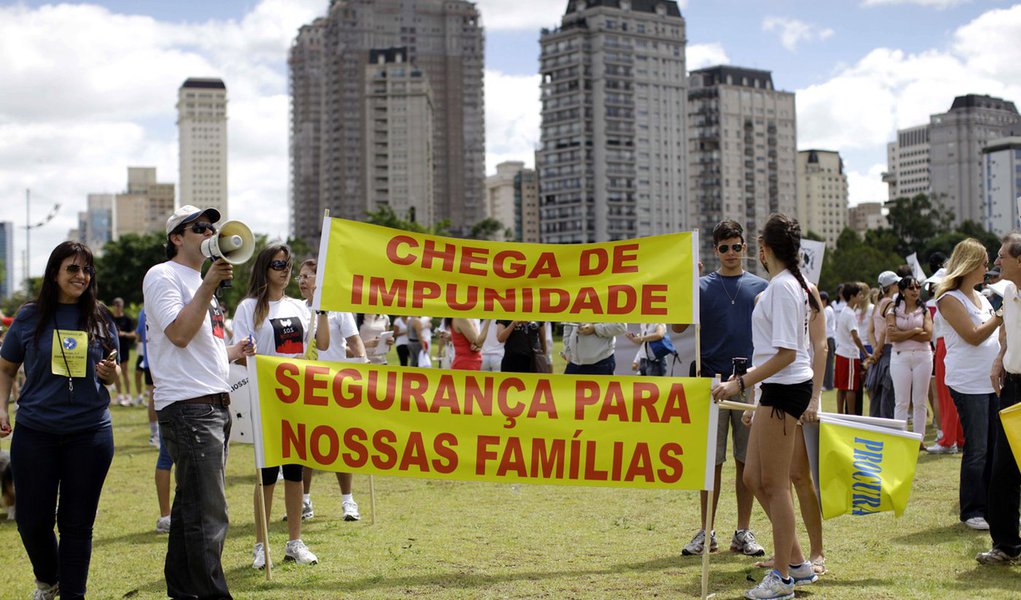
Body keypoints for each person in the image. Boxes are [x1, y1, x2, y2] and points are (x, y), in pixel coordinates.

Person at [143, 205, 255, 599]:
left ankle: (181, 591)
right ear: (177, 237)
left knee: (191, 508)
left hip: (211, 404)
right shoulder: (163, 275)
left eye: (213, 226)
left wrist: (233, 351)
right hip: (191, 408)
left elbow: (201, 349)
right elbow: (178, 334)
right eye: (200, 227)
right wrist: (207, 286)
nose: (211, 232)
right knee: (210, 512)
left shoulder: (202, 282)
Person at [0, 241, 119, 600]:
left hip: (90, 433)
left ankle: (72, 594)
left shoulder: (100, 317)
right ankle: (48, 579)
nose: (81, 276)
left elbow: (111, 375)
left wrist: (109, 373)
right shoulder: (28, 316)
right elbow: (6, 368)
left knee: (77, 525)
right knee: (31, 521)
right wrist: (1, 407)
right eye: (72, 268)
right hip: (36, 432)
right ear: (54, 273)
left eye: (86, 270)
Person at [712, 214, 819, 599]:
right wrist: (754, 398)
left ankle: (783, 577)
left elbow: (788, 354)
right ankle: (797, 564)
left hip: (785, 389)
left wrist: (740, 385)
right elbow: (773, 351)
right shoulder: (784, 286)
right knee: (753, 478)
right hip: (773, 390)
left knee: (774, 484)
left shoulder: (785, 288)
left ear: (764, 248)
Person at [674, 220, 768, 559]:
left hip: (747, 381)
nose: (730, 252)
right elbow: (678, 325)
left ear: (745, 248)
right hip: (710, 383)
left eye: (736, 246)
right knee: (709, 462)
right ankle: (706, 530)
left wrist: (757, 384)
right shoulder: (700, 286)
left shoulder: (762, 286)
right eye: (724, 247)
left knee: (747, 462)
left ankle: (743, 531)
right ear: (715, 250)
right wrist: (686, 284)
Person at [233, 244, 322, 568]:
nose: (285, 269)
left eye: (288, 264)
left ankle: (294, 541)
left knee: (295, 472)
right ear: (264, 268)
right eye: (278, 264)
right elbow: (241, 354)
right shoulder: (248, 308)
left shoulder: (300, 307)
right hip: (265, 400)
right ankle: (261, 544)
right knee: (267, 473)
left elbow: (315, 348)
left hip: (296, 400)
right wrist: (255, 356)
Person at [935, 238, 1002, 530]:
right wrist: (1000, 316)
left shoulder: (982, 297)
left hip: (989, 381)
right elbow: (973, 335)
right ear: (970, 264)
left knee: (993, 446)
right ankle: (972, 510)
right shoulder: (948, 299)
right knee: (978, 448)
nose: (988, 268)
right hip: (968, 383)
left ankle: (990, 506)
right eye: (984, 262)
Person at [295, 258, 365, 522]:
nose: (302, 281)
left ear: (320, 280)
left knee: (340, 443)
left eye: (308, 276)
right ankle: (304, 501)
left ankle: (348, 501)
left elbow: (355, 342)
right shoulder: (296, 309)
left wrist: (362, 363)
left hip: (335, 385)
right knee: (305, 446)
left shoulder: (337, 309)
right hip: (304, 385)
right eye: (299, 277)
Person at [981, 232, 1021, 564]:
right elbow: (1006, 329)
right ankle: (1006, 545)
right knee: (1003, 467)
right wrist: (999, 360)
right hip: (1012, 387)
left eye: (1002, 256)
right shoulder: (1007, 291)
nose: (996, 262)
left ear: (1020, 260)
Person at [886, 276, 933, 439]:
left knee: (920, 401)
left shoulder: (924, 309)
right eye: (911, 288)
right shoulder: (893, 310)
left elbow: (928, 335)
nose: (915, 290)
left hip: (923, 356)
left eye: (918, 287)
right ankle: (900, 437)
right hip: (900, 357)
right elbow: (891, 336)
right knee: (901, 401)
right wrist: (914, 331)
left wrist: (902, 334)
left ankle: (919, 439)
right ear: (902, 291)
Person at [864, 272, 898, 418]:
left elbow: (870, 331)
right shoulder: (891, 304)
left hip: (878, 353)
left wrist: (875, 350)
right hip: (888, 352)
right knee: (888, 397)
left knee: (876, 399)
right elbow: (885, 331)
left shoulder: (878, 304)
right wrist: (878, 351)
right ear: (891, 286)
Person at [834, 282, 867, 415]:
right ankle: (851, 416)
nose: (862, 297)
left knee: (841, 387)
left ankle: (840, 414)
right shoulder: (850, 314)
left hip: (841, 352)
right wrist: (865, 353)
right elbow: (855, 336)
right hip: (850, 355)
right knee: (850, 388)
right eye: (859, 294)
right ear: (852, 296)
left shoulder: (844, 311)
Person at [109, 297, 136, 406]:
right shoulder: (110, 319)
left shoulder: (127, 319)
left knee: (124, 372)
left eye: (119, 305)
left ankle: (128, 395)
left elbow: (133, 334)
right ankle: (119, 395)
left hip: (124, 347)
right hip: (112, 348)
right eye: (115, 305)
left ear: (122, 306)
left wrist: (123, 334)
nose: (117, 308)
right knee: (115, 372)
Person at [821, 292, 835, 391]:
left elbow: (822, 324)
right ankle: (827, 383)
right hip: (829, 338)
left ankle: (828, 384)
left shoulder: (827, 310)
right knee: (827, 362)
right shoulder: (829, 309)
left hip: (828, 338)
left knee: (828, 363)